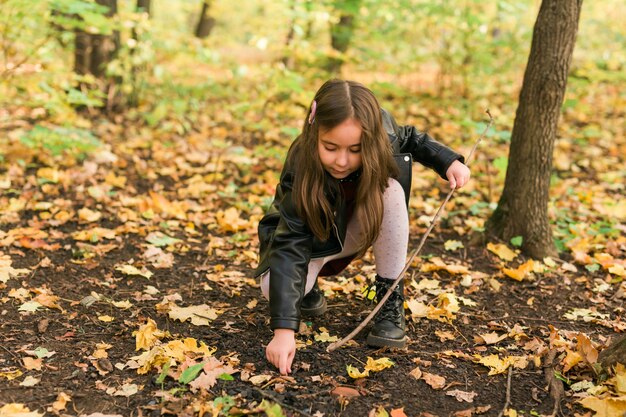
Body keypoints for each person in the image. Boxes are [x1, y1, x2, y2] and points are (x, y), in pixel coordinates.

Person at [255, 79, 470, 375]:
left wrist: (448, 162)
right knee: (272, 290)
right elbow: (291, 243)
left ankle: (388, 298)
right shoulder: (301, 163)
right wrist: (283, 331)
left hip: (357, 228)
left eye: (355, 150)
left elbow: (412, 139)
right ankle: (307, 292)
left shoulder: (384, 136)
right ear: (314, 133)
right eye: (330, 147)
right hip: (312, 241)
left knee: (391, 190)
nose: (342, 161)